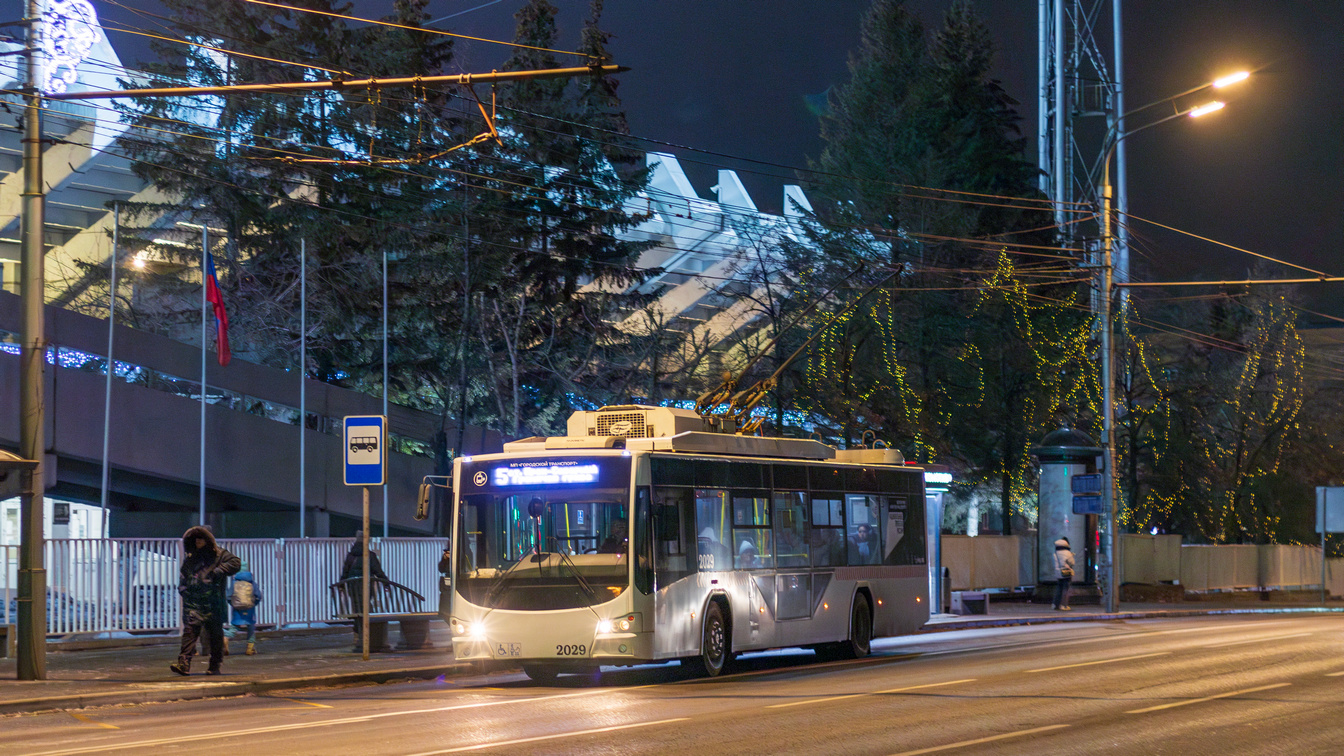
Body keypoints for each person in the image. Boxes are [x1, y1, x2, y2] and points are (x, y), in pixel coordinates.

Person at [172, 526, 241, 676]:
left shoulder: (220, 554)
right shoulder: (191, 558)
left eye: (201, 538)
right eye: (195, 539)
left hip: (213, 603)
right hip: (194, 603)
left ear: (207, 539)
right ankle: (184, 664)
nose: (197, 541)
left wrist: (218, 571)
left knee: (215, 636)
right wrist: (184, 590)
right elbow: (184, 576)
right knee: (189, 633)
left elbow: (236, 563)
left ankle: (215, 665)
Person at [229, 564, 262, 656]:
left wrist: (233, 604)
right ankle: (250, 648)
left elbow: (228, 596)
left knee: (235, 625)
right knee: (251, 626)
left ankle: (227, 637)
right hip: (250, 609)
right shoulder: (252, 582)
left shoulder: (234, 582)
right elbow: (258, 596)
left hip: (237, 609)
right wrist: (253, 604)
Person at [1053, 537, 1075, 611]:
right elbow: (1072, 562)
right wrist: (1071, 555)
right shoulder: (1067, 553)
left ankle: (1055, 604)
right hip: (1066, 572)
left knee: (1059, 588)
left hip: (1058, 572)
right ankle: (1063, 605)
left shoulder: (1055, 553)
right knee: (1065, 589)